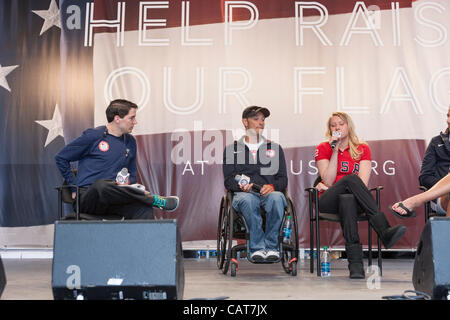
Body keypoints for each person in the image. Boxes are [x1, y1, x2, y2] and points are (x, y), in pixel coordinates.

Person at [314, 111, 406, 279]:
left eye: (341, 124)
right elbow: (327, 180)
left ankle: (355, 265)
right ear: (329, 130)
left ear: (349, 126)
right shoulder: (323, 148)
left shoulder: (362, 148)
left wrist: (346, 186)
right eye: (333, 125)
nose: (337, 127)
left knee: (347, 199)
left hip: (354, 199)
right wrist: (335, 150)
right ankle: (384, 230)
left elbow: (362, 184)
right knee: (350, 180)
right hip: (328, 199)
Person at [55, 99, 179, 220]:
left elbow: (131, 174)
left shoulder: (130, 141)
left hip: (114, 200)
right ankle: (153, 200)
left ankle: (142, 238)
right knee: (101, 185)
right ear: (117, 118)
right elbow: (61, 158)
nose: (135, 122)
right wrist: (73, 186)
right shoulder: (94, 136)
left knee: (143, 209)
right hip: (89, 199)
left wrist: (129, 184)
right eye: (131, 118)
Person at [222, 106, 288, 262]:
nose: (261, 123)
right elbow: (229, 180)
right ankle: (257, 248)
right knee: (248, 200)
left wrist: (272, 187)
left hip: (268, 193)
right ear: (245, 122)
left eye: (263, 120)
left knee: (277, 198)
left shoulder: (275, 148)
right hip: (244, 195)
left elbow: (283, 179)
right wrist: (240, 186)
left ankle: (271, 248)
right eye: (256, 119)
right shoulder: (232, 149)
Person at [415, 106, 450, 217]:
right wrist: (445, 187)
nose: (448, 120)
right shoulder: (436, 142)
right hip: (440, 197)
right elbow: (424, 177)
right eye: (448, 115)